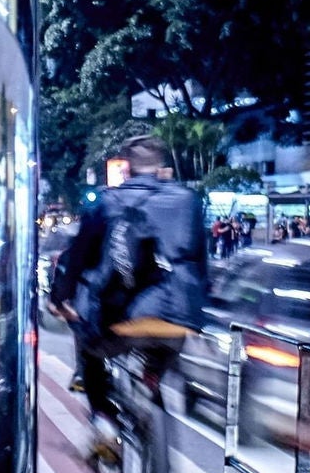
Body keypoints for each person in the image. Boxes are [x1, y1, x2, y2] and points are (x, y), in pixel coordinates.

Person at [49, 134, 208, 437]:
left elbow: (79, 257)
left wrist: (61, 299)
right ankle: (151, 379)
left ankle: (104, 419)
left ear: (127, 168)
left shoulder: (108, 202)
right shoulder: (188, 201)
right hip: (178, 321)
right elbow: (200, 263)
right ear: (162, 167)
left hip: (119, 320)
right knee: (162, 353)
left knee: (89, 349)